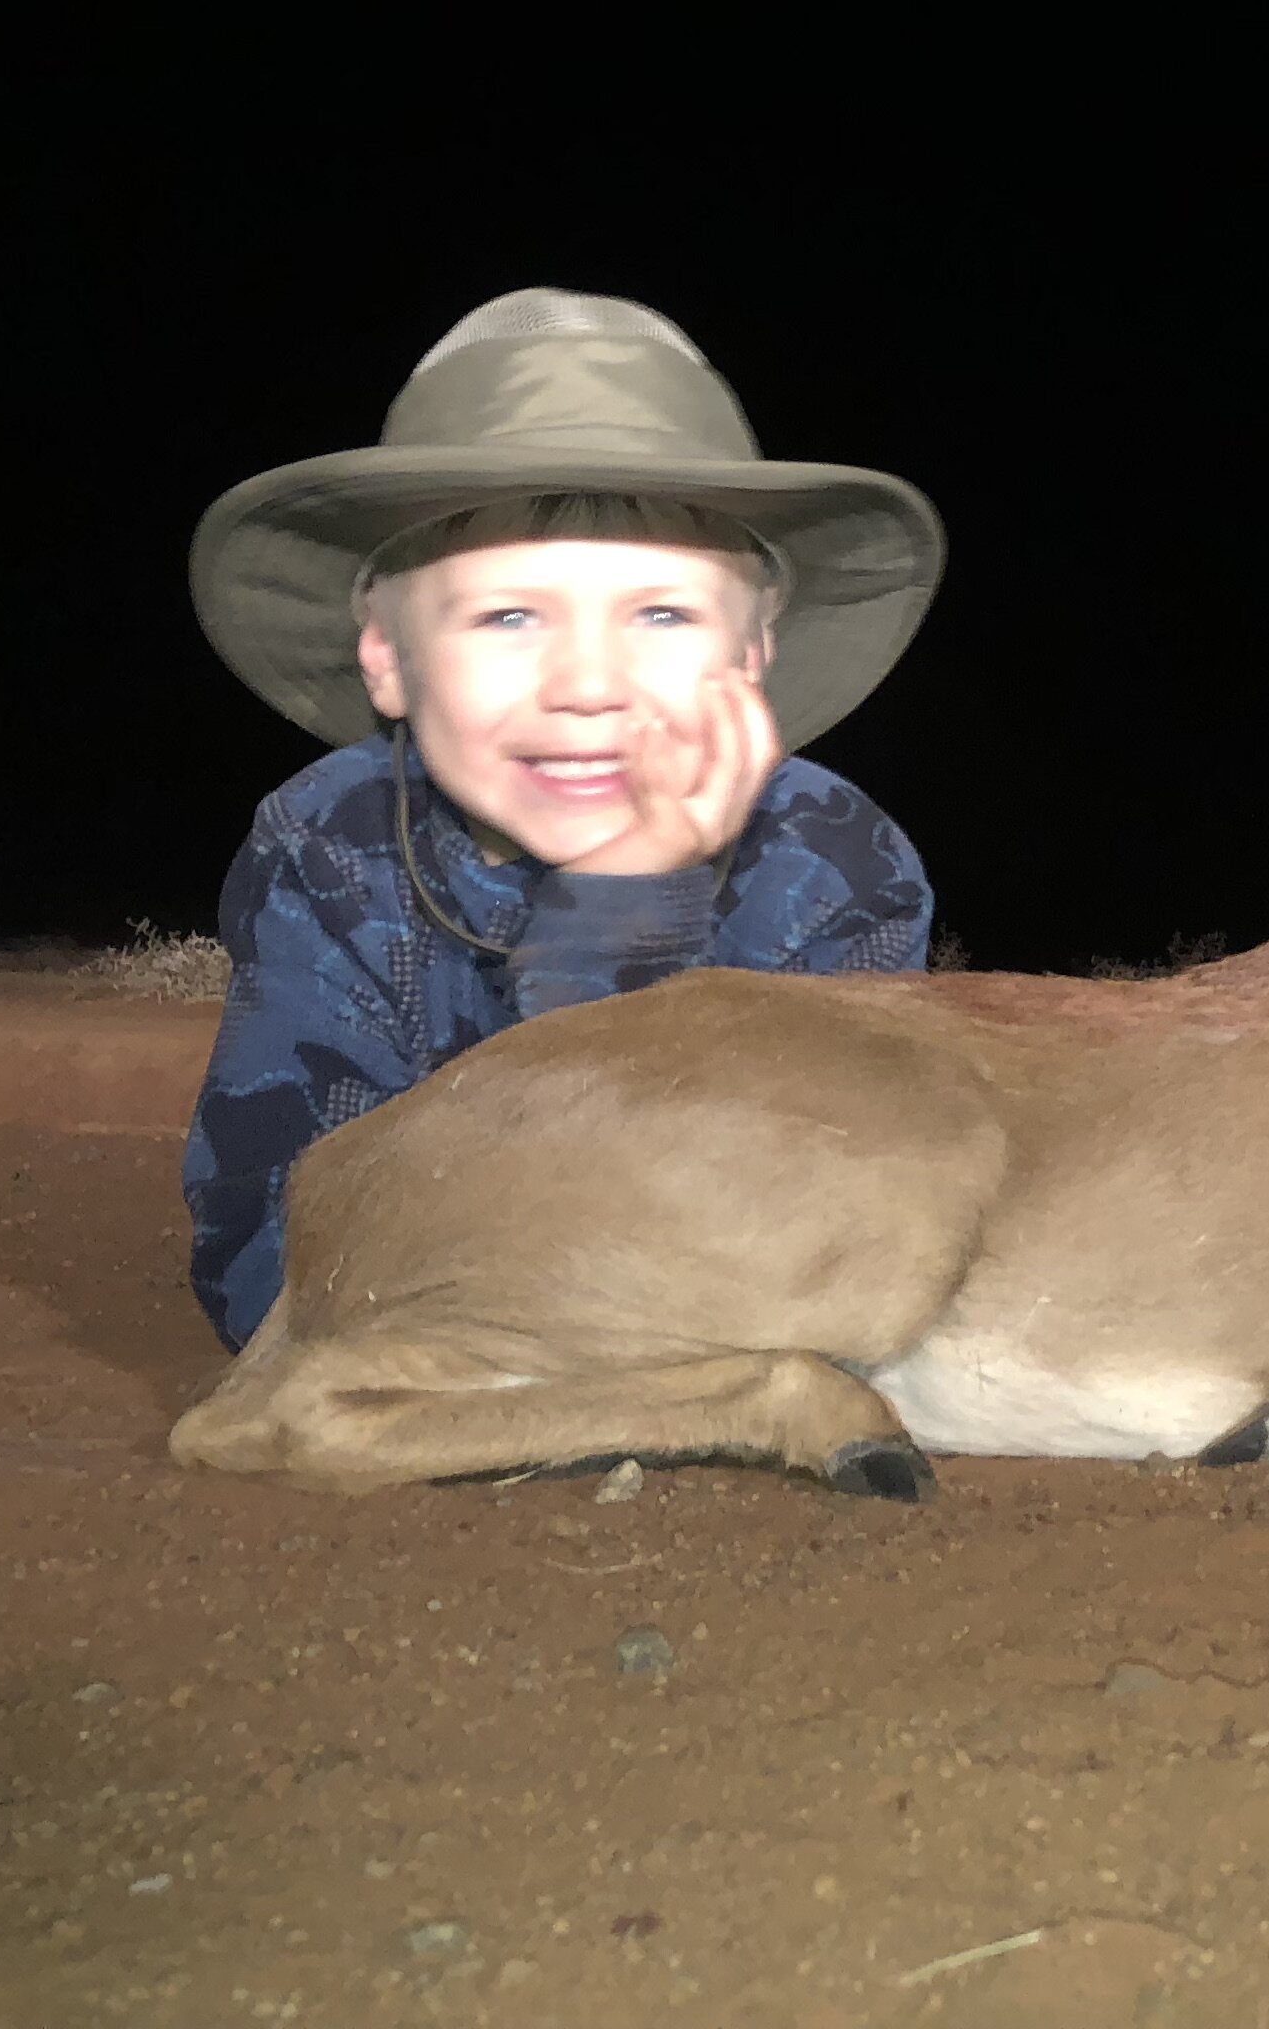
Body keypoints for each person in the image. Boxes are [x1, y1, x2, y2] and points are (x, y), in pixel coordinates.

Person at [177, 288, 945, 1349]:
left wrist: (629, 917)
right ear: (388, 658)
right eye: (510, 615)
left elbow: (846, 1256)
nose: (588, 684)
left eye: (662, 614)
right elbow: (274, 1282)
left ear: (752, 653)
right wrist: (614, 925)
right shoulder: (329, 852)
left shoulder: (836, 867)